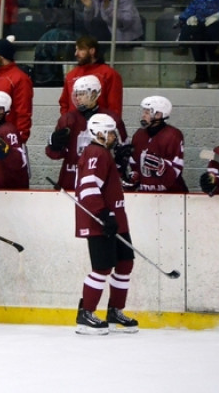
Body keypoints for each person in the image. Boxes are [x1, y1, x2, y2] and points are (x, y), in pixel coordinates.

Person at [74, 113, 138, 335]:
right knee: (102, 267)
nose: (114, 136)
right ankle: (86, 314)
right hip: (99, 221)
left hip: (115, 219)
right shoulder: (96, 153)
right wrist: (103, 214)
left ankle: (114, 311)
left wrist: (121, 165)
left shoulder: (104, 153)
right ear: (98, 133)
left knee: (125, 263)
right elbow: (88, 188)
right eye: (110, 132)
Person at [46, 75, 127, 191]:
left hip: (100, 179)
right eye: (77, 94)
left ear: (94, 94)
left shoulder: (111, 119)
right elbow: (54, 154)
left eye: (82, 94)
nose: (78, 98)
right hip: (70, 179)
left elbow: (123, 154)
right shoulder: (68, 119)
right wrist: (54, 145)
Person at [121, 96, 188, 193]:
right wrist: (132, 179)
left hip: (172, 196)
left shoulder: (173, 135)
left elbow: (175, 171)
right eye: (143, 112)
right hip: (145, 196)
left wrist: (162, 167)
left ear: (159, 114)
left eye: (147, 112)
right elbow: (136, 168)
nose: (143, 115)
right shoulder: (138, 135)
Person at [0, 37, 33, 144]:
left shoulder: (20, 78)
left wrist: (20, 137)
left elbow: (23, 111)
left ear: (2, 55)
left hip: (6, 137)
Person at [59, 35, 124, 118]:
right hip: (75, 127)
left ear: (92, 51)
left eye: (81, 49)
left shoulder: (109, 74)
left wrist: (107, 126)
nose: (76, 53)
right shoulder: (71, 75)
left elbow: (115, 107)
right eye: (76, 49)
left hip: (99, 128)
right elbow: (64, 103)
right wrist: (66, 121)